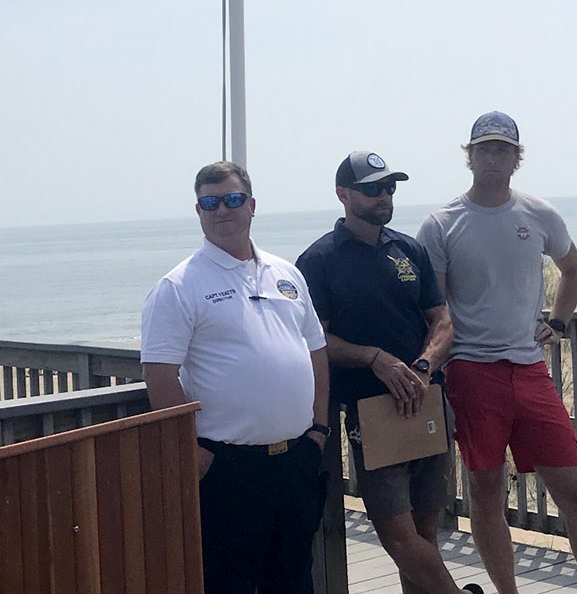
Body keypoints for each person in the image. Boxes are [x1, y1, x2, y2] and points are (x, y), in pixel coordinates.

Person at [296, 151, 483, 594]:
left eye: (390, 187)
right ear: (343, 194)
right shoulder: (318, 261)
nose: (384, 195)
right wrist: (374, 358)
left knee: (424, 529)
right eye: (372, 188)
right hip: (370, 410)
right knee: (398, 537)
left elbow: (442, 320)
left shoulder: (408, 249)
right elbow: (314, 340)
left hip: (425, 401)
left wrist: (422, 366)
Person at [141, 161, 330, 594]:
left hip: (295, 459)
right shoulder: (179, 286)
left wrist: (318, 431)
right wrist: (190, 448)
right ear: (199, 211)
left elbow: (316, 350)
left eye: (232, 199)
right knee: (230, 583)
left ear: (252, 205)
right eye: (210, 202)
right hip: (227, 466)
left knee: (296, 578)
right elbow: (159, 372)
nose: (222, 209)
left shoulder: (287, 274)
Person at [417, 111, 577, 594]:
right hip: (471, 370)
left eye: (502, 149)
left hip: (530, 370)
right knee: (485, 490)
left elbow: (572, 267)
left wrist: (557, 320)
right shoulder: (442, 224)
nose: (493, 157)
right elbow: (435, 311)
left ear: (516, 157)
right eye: (484, 149)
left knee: (572, 489)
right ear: (470, 157)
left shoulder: (540, 214)